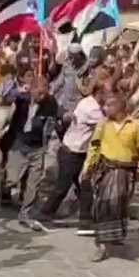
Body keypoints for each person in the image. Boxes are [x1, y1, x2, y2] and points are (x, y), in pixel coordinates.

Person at [82, 91, 139, 261]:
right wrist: (87, 168)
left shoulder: (135, 126)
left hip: (125, 174)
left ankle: (113, 236)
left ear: (120, 107)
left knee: (118, 207)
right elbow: (94, 147)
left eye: (109, 105)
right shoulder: (103, 125)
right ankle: (102, 245)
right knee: (104, 207)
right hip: (106, 171)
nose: (104, 108)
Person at [40, 79, 105, 232]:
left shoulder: (88, 102)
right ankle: (44, 216)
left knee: (85, 186)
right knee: (62, 187)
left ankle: (85, 222)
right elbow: (107, 124)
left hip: (79, 151)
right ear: (99, 93)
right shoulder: (91, 108)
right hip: (72, 152)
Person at [4, 76, 58, 227]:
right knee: (12, 179)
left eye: (44, 93)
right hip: (19, 143)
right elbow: (5, 99)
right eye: (39, 93)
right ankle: (2, 191)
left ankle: (26, 212)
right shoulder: (22, 98)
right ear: (32, 89)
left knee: (33, 182)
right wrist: (18, 91)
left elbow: (52, 121)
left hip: (37, 146)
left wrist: (47, 141)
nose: (42, 97)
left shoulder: (50, 102)